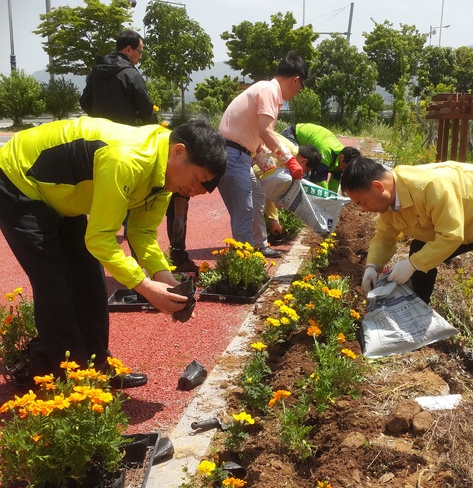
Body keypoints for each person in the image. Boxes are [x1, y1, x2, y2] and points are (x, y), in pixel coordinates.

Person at [0, 117, 227, 387]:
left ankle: (99, 367)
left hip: (60, 195)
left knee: (89, 278)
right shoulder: (127, 159)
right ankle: (73, 383)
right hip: (18, 179)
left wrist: (166, 280)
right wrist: (144, 286)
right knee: (54, 283)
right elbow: (100, 239)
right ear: (178, 151)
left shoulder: (166, 177)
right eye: (197, 180)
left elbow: (141, 232)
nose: (194, 191)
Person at [340, 157, 473, 381]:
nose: (363, 210)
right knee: (420, 248)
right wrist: (372, 266)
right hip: (467, 220)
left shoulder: (431, 186)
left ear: (378, 187)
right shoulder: (390, 203)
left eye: (362, 202)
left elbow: (451, 236)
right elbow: (385, 237)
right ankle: (413, 322)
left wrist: (412, 265)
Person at [218, 51, 308, 259]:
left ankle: (259, 245)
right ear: (296, 81)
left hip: (240, 154)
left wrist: (272, 170)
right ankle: (245, 259)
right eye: (301, 87)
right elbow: (265, 132)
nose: (298, 93)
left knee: (257, 195)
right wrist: (290, 160)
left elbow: (257, 141)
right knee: (244, 209)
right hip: (233, 155)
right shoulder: (269, 90)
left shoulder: (266, 91)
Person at [79, 29, 157, 126]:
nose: (140, 57)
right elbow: (146, 111)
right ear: (128, 50)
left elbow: (85, 103)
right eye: (140, 52)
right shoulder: (131, 75)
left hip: (97, 135)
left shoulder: (94, 73)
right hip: (122, 136)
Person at [281, 123, 359, 191]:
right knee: (304, 172)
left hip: (309, 144)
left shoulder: (343, 158)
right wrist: (325, 199)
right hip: (292, 134)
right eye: (344, 167)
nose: (343, 170)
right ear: (341, 158)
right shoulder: (328, 151)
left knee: (310, 176)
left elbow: (335, 181)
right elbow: (320, 179)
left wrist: (333, 198)